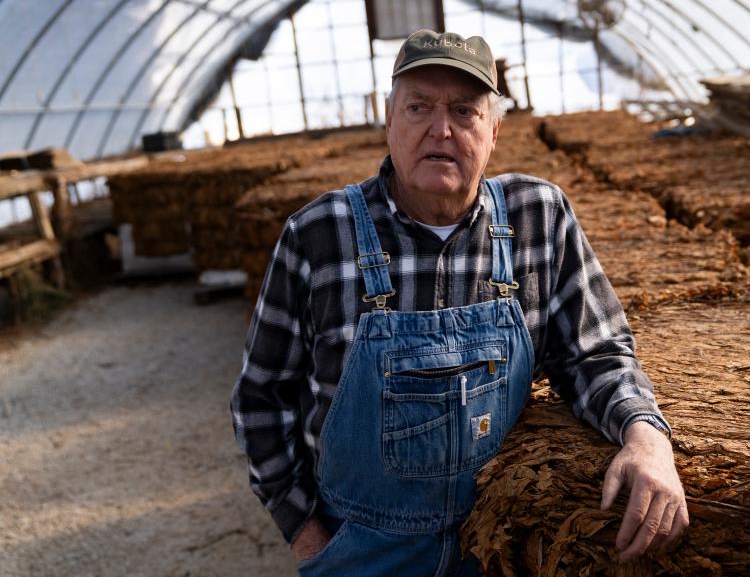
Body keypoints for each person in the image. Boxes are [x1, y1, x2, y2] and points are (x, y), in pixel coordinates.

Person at [231, 29, 688, 576]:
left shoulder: (538, 219)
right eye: (418, 106)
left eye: (464, 111)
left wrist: (646, 437)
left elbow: (596, 353)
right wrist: (310, 538)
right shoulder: (319, 235)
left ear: (494, 130)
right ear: (389, 119)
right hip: (363, 550)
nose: (440, 129)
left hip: (500, 545)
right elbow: (261, 398)